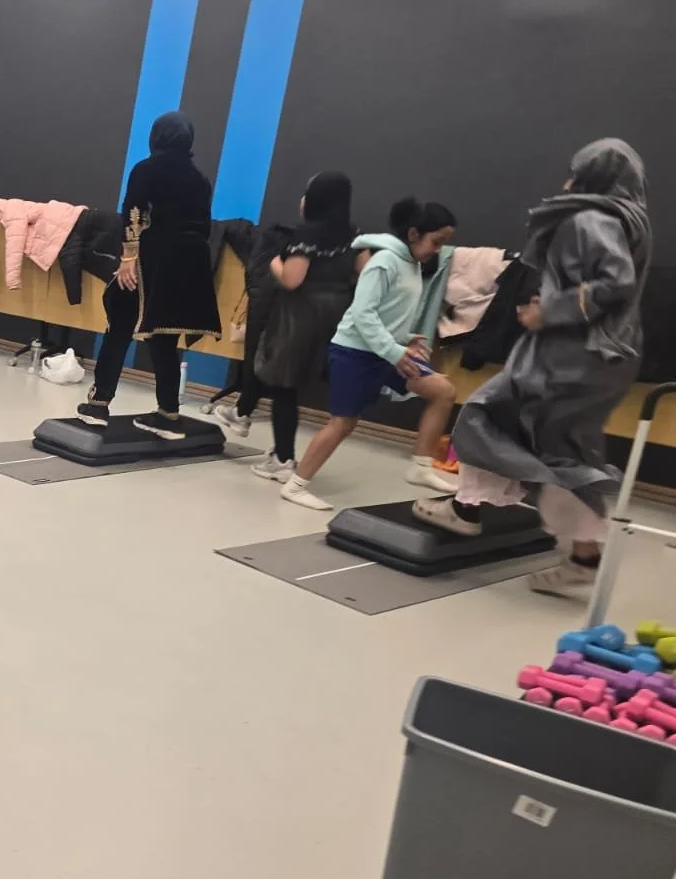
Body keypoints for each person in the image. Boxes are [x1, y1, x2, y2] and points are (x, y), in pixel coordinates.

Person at [413, 139, 651, 600]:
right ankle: (563, 548)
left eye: (575, 174)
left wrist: (551, 309)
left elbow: (614, 282)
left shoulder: (592, 218)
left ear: (594, 178)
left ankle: (470, 511)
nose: (567, 182)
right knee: (555, 445)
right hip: (605, 354)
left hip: (574, 352)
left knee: (490, 415)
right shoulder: (630, 217)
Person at [280, 198, 461, 510]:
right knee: (343, 423)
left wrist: (405, 339)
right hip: (355, 353)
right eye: (436, 242)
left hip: (387, 352)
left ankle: (420, 466)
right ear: (414, 234)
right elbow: (363, 314)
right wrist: (394, 349)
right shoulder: (384, 262)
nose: (438, 250)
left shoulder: (412, 264)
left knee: (443, 391)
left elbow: (389, 311)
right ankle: (295, 486)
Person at [77, 112, 218, 434]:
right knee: (164, 336)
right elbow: (204, 227)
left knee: (120, 325)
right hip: (190, 263)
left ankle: (98, 403)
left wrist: (129, 256)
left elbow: (134, 212)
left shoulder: (146, 169)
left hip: (151, 258)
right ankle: (168, 413)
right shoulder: (200, 179)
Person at [216, 172, 359, 481]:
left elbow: (292, 279)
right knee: (287, 381)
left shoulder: (307, 235)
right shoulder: (354, 237)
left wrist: (272, 261)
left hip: (299, 315)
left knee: (283, 385)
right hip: (334, 314)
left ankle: (283, 458)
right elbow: (360, 272)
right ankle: (249, 418)